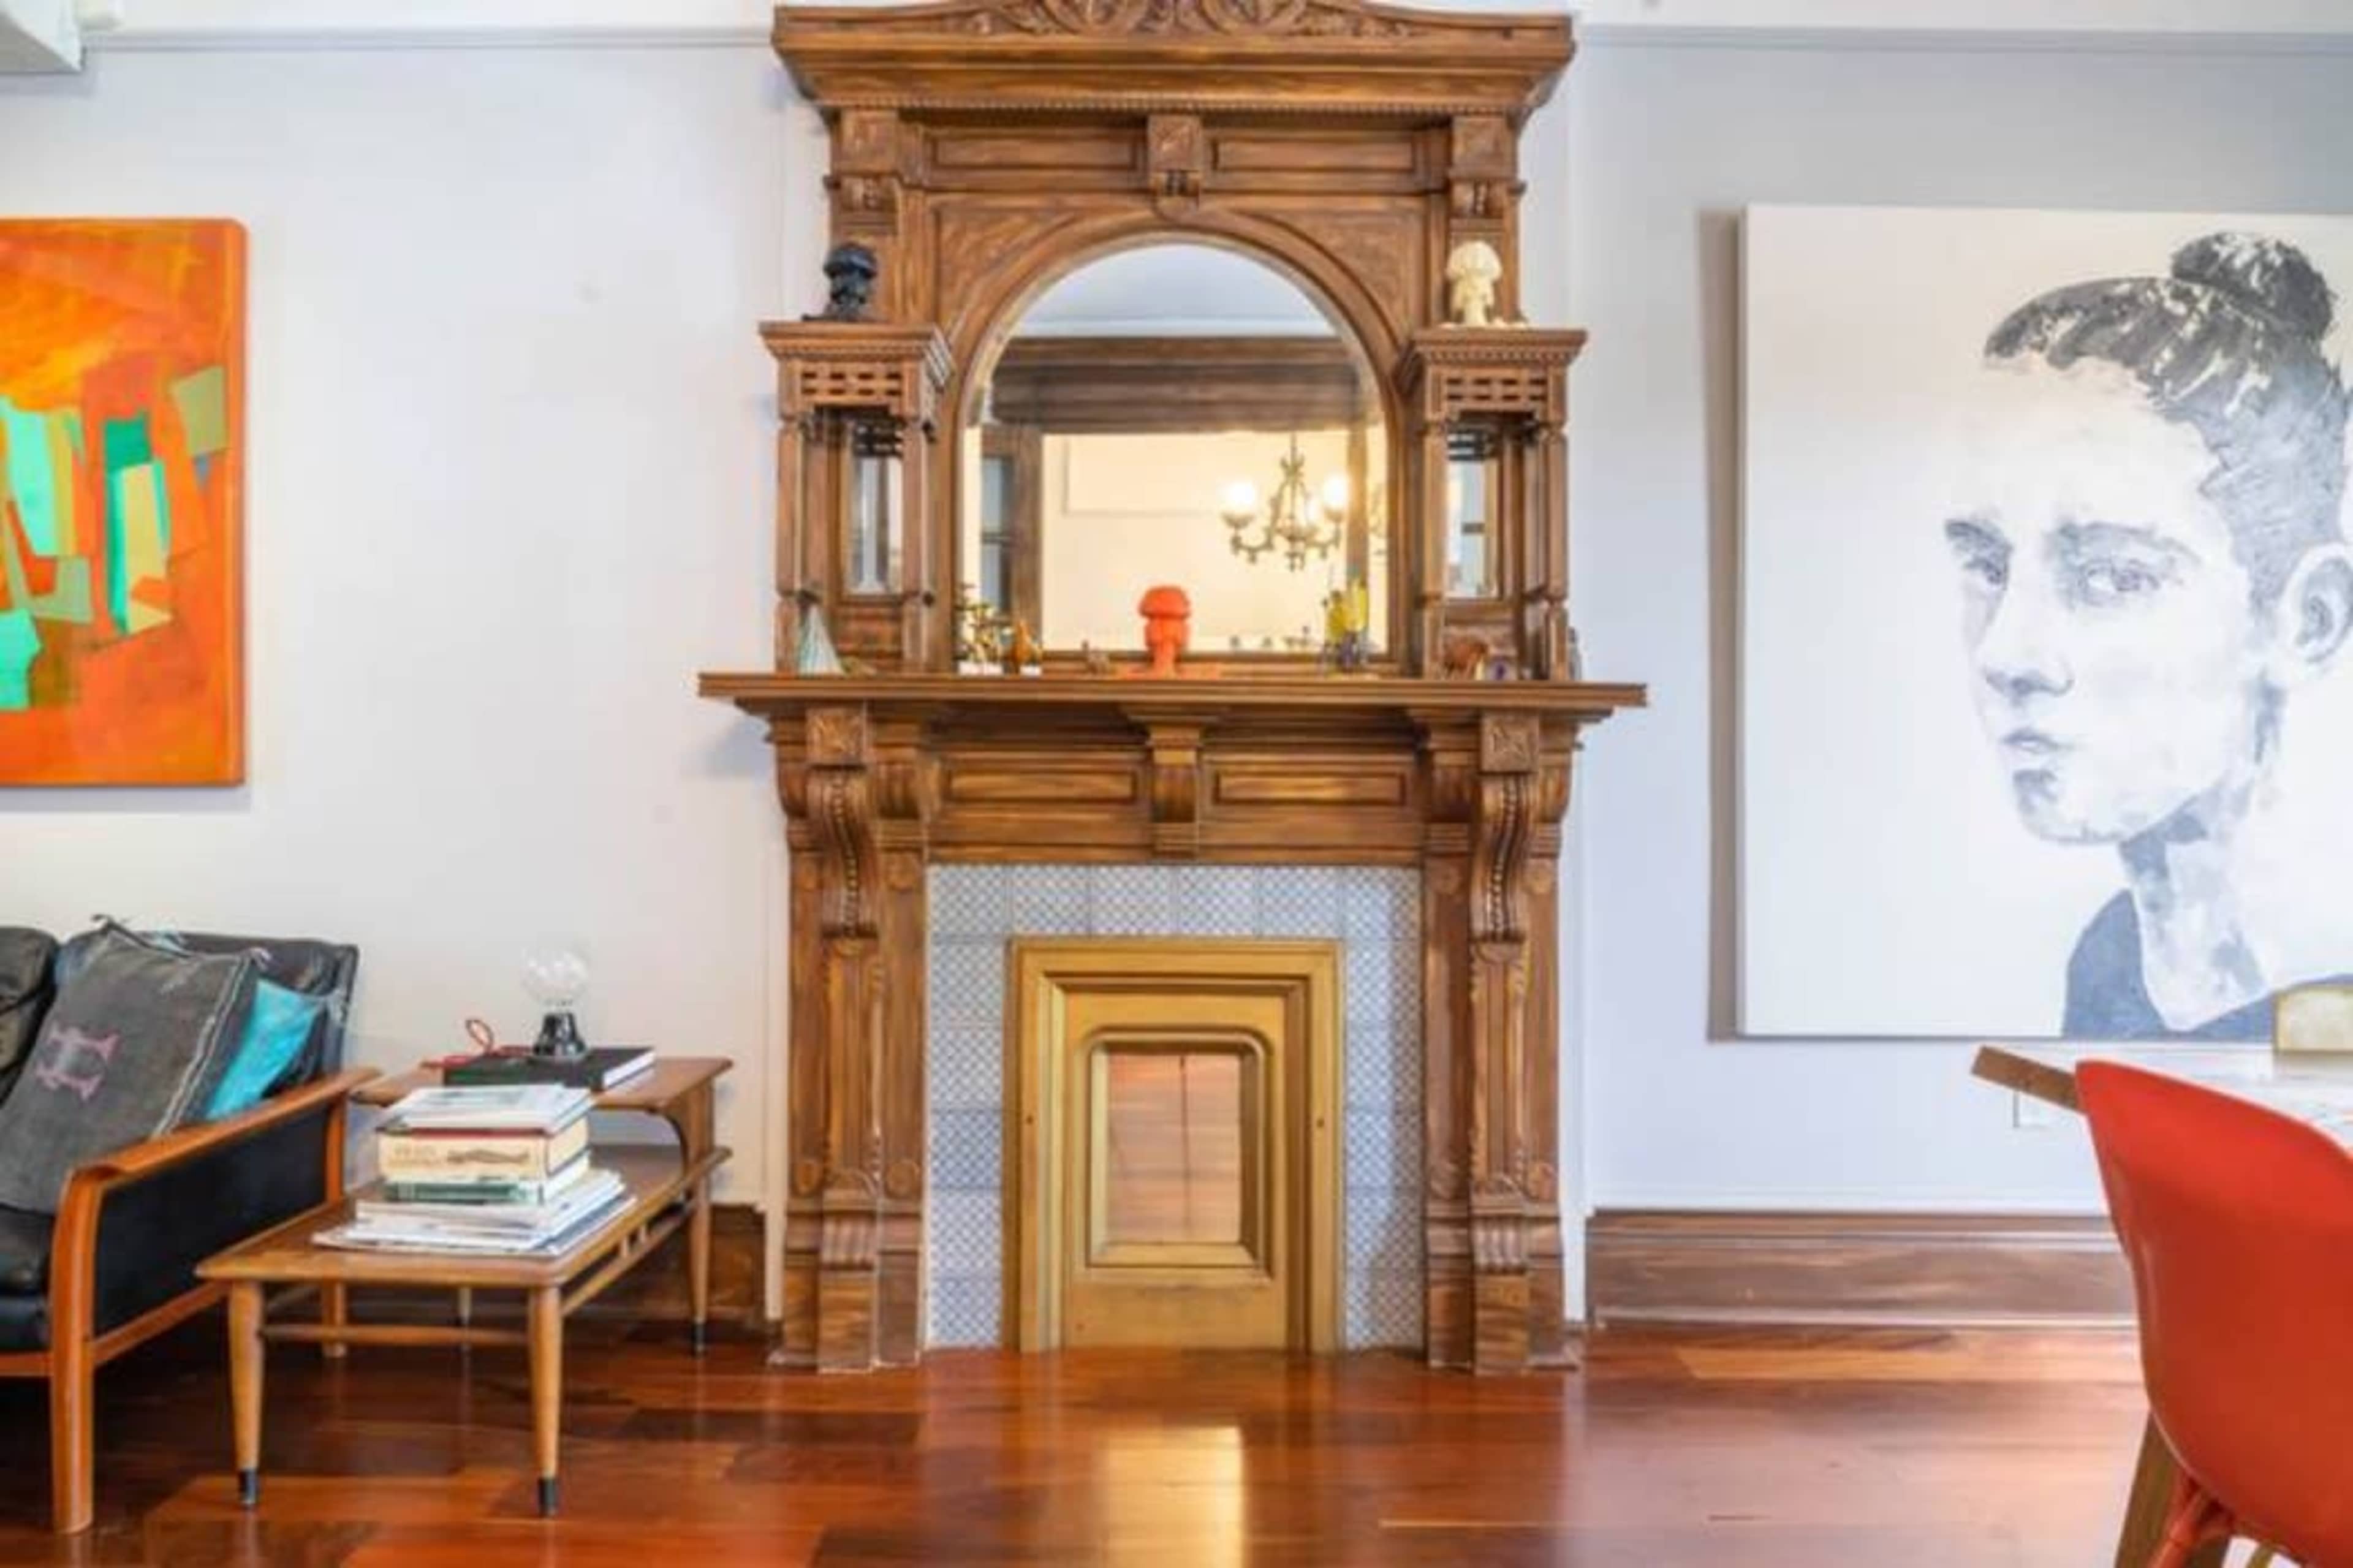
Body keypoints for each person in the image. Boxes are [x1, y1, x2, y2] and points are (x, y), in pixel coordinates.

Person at [1942, 232, 2353, 1038]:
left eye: (2112, 577)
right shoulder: (2110, 968)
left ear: (2307, 620)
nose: (2006, 655)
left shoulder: (2328, 994)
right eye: (1987, 565)